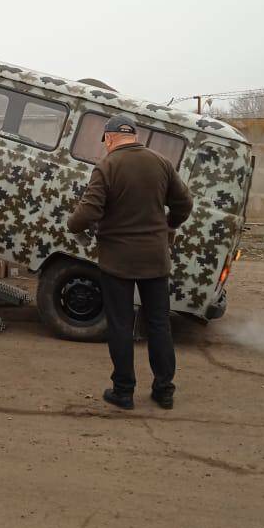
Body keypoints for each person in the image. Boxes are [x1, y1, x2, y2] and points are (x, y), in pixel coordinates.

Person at [68, 114, 193, 410]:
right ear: (134, 136)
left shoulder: (107, 166)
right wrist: (168, 226)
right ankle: (164, 390)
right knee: (159, 324)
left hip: (118, 261)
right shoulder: (161, 162)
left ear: (110, 138)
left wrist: (74, 224)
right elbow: (184, 203)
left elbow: (87, 214)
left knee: (121, 325)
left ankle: (123, 391)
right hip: (155, 258)